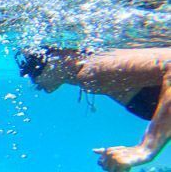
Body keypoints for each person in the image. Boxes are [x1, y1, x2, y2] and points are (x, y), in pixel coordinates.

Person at [16, 46, 171, 172]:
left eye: (32, 63)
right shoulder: (92, 76)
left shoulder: (92, 70)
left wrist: (146, 149)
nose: (26, 72)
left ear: (60, 51)